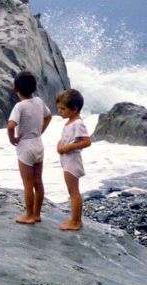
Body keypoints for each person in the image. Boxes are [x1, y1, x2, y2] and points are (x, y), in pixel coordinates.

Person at [7, 71, 52, 224]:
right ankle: (37, 214)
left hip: (25, 147)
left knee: (28, 184)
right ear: (35, 88)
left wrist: (12, 138)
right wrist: (40, 131)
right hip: (38, 144)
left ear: (15, 89)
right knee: (38, 181)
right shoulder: (39, 101)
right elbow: (49, 116)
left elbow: (11, 125)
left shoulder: (19, 106)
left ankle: (29, 216)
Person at [55, 89, 91, 231]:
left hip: (72, 160)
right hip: (67, 159)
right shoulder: (70, 122)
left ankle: (76, 222)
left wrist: (69, 147)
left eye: (63, 109)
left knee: (73, 192)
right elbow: (65, 138)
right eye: (59, 108)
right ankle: (74, 219)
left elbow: (87, 141)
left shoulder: (78, 124)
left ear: (74, 109)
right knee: (72, 191)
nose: (60, 112)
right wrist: (60, 144)